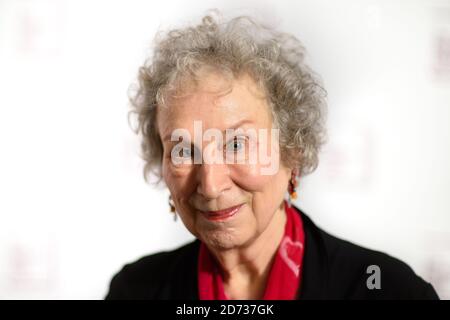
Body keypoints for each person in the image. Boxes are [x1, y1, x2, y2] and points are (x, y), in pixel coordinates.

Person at [105, 12, 439, 300]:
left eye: (236, 144)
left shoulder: (385, 290)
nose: (210, 185)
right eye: (183, 150)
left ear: (291, 151)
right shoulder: (136, 290)